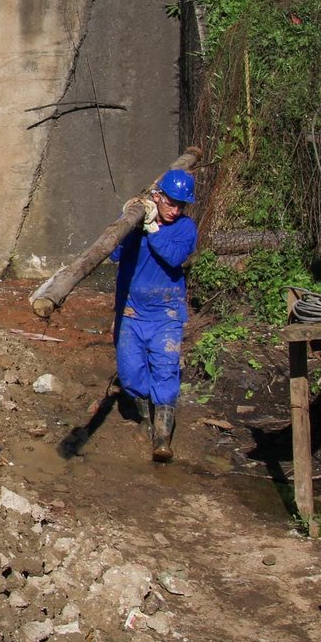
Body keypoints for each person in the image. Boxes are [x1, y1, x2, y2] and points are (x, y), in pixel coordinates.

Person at [110, 169, 198, 463]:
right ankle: (146, 414)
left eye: (181, 205)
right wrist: (129, 221)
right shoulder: (138, 227)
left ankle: (161, 436)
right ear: (157, 198)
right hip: (132, 312)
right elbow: (113, 254)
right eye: (171, 203)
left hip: (166, 314)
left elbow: (174, 257)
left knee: (165, 369)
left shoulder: (185, 229)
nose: (176, 210)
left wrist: (153, 229)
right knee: (131, 374)